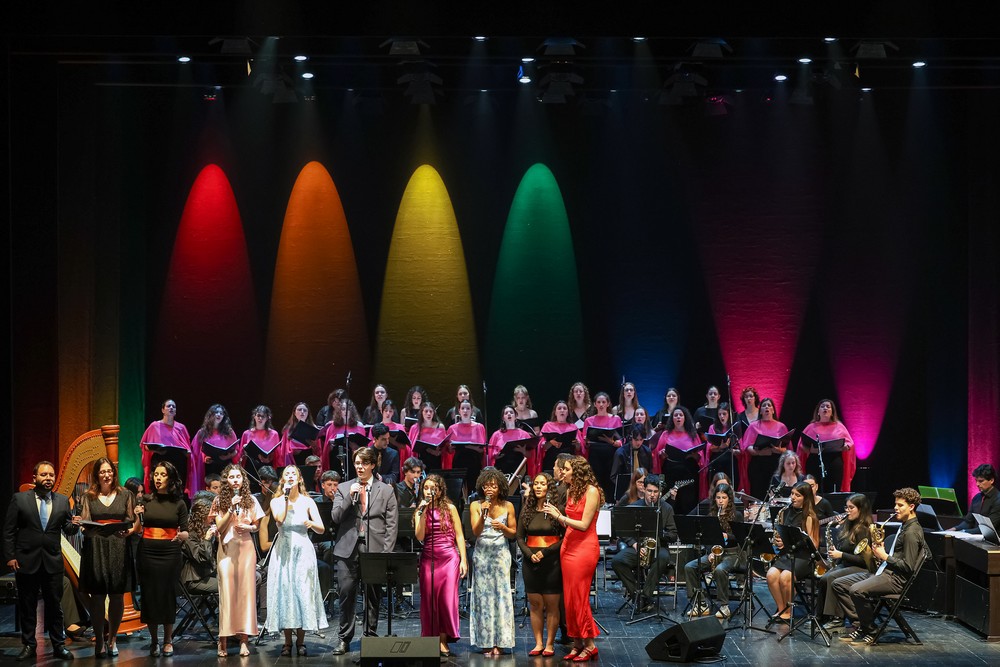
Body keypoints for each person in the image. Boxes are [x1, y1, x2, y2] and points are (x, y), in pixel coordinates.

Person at [3, 460, 82, 662]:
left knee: (55, 606)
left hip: (52, 562)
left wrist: (76, 524)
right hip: (26, 560)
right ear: (34, 478)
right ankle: (29, 645)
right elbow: (9, 531)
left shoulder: (63, 501)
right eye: (44, 475)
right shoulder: (20, 499)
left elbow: (68, 528)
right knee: (28, 606)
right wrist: (10, 556)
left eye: (51, 475)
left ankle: (59, 645)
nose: (48, 478)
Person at [833, 488, 930, 644]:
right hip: (885, 572)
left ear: (911, 507)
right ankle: (860, 624)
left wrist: (884, 556)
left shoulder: (912, 532)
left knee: (856, 590)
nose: (895, 508)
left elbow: (908, 567)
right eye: (895, 504)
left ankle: (870, 630)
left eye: (900, 505)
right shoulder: (905, 525)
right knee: (838, 583)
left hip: (895, 579)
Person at [330, 447, 399, 655]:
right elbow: (336, 517)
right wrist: (349, 499)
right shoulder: (344, 488)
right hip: (347, 549)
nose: (359, 467)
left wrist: (386, 554)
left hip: (374, 549)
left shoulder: (385, 490)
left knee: (372, 595)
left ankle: (369, 636)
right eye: (357, 463)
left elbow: (391, 525)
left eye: (363, 463)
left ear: (372, 465)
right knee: (346, 594)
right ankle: (344, 638)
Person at [543, 456, 602, 662]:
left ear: (576, 471)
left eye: (566, 469)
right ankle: (577, 642)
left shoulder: (591, 491)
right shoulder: (570, 490)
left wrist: (559, 516)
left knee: (579, 597)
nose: (563, 472)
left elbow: (584, 524)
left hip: (584, 548)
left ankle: (590, 644)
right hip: (568, 547)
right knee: (569, 599)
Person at [78, 458, 137, 657]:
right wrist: (86, 528)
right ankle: (100, 640)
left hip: (119, 546)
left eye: (109, 471)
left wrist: (127, 531)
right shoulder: (88, 496)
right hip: (95, 546)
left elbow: (132, 522)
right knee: (97, 596)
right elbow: (84, 525)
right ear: (97, 475)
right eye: (102, 472)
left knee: (117, 595)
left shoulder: (126, 494)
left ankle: (113, 638)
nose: (106, 475)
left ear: (113, 473)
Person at [267, 466, 328, 656]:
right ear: (283, 480)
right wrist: (286, 498)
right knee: (286, 592)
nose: (291, 476)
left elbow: (321, 529)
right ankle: (287, 642)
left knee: (302, 591)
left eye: (294, 473)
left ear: (300, 479)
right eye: (287, 474)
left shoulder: (308, 501)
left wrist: (311, 524)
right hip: (283, 550)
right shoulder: (277, 501)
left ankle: (301, 641)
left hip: (303, 550)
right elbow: (279, 518)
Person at [134, 461, 189, 657]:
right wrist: (136, 517)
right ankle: (154, 641)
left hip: (170, 553)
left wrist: (183, 536)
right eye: (155, 474)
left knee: (166, 596)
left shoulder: (179, 503)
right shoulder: (145, 501)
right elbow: (138, 529)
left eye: (162, 475)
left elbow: (186, 532)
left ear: (171, 478)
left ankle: (168, 639)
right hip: (147, 551)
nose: (157, 478)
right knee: (150, 596)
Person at [212, 464, 263, 657]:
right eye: (232, 477)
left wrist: (249, 528)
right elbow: (220, 527)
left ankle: (244, 640)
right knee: (227, 593)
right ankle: (222, 640)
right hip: (226, 550)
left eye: (238, 477)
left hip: (246, 549)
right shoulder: (218, 501)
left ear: (243, 480)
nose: (235, 480)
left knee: (245, 593)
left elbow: (257, 525)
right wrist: (231, 509)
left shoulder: (251, 500)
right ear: (227, 481)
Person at [415, 474, 467, 657]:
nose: (429, 491)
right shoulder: (420, 510)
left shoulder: (450, 508)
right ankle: (431, 640)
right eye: (426, 487)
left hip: (449, 557)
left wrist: (464, 560)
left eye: (433, 487)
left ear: (440, 489)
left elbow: (460, 535)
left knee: (446, 600)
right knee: (429, 601)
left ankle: (444, 640)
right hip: (429, 558)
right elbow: (420, 537)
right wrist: (421, 512)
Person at [611, 475, 679, 613]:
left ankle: (647, 594)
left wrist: (661, 534)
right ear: (644, 490)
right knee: (617, 561)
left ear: (659, 492)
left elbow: (673, 534)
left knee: (663, 558)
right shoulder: (634, 507)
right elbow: (624, 532)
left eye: (655, 492)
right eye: (649, 491)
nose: (652, 495)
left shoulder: (666, 509)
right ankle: (636, 594)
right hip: (638, 548)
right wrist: (635, 544)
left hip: (659, 548)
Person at [469, 468, 517, 656]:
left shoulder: (508, 506)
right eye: (487, 485)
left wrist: (503, 527)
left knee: (501, 597)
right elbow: (476, 531)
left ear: (500, 487)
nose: (490, 488)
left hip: (500, 555)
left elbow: (513, 533)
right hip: (482, 555)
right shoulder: (476, 505)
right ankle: (486, 642)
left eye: (493, 485)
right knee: (483, 597)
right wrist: (484, 514)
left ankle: (501, 642)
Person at [516, 473, 564, 657]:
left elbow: (564, 537)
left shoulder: (557, 509)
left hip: (551, 561)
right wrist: (529, 554)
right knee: (535, 604)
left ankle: (550, 644)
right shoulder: (527, 510)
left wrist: (545, 552)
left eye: (542, 484)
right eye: (535, 483)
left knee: (552, 605)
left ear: (548, 487)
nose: (537, 487)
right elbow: (520, 537)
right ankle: (538, 643)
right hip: (531, 562)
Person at [683, 483, 744, 618]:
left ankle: (724, 606)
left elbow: (741, 539)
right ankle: (700, 604)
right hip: (715, 553)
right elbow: (708, 538)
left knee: (720, 570)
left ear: (729, 499)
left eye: (723, 497)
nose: (721, 501)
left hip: (733, 554)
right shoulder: (712, 515)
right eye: (718, 498)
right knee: (689, 567)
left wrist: (727, 536)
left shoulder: (736, 515)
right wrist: (710, 552)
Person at [817, 493, 875, 633]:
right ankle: (821, 617)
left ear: (861, 509)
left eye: (851, 508)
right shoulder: (849, 525)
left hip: (861, 568)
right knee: (824, 577)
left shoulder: (863, 530)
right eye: (846, 507)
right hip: (847, 565)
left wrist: (841, 554)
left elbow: (863, 560)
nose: (847, 511)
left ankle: (838, 619)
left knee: (831, 577)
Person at [766, 481, 819, 624]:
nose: (793, 497)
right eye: (792, 494)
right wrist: (780, 541)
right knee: (771, 575)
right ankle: (782, 608)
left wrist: (792, 542)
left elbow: (814, 545)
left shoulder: (809, 517)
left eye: (798, 495)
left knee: (785, 577)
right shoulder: (785, 512)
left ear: (805, 498)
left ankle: (788, 613)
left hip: (804, 557)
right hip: (788, 554)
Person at [140, 398, 197, 496]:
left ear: (175, 411)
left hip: (177, 462)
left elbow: (187, 448)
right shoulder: (154, 426)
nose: (171, 408)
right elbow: (145, 447)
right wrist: (158, 451)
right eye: (168, 406)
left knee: (175, 489)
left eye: (173, 407)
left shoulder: (181, 428)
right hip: (160, 460)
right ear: (163, 410)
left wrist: (187, 453)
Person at [652, 406, 703, 515]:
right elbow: (658, 454)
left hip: (688, 472)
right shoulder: (666, 434)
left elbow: (700, 457)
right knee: (671, 501)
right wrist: (662, 454)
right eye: (676, 415)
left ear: (685, 418)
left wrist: (694, 455)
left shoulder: (692, 434)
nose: (678, 417)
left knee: (688, 501)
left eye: (681, 415)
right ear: (672, 418)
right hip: (671, 471)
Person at [798, 398, 857, 492]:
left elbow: (850, 443)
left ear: (832, 412)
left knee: (833, 489)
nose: (825, 408)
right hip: (815, 461)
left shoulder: (839, 426)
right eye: (822, 406)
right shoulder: (811, 427)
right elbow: (801, 445)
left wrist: (846, 446)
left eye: (828, 406)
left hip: (834, 462)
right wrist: (810, 450)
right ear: (818, 412)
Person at [741, 397, 790, 502]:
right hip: (758, 464)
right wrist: (760, 452)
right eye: (764, 405)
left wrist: (779, 450)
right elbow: (747, 446)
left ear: (773, 410)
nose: (767, 407)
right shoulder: (753, 426)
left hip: (776, 463)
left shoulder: (781, 426)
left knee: (776, 493)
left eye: (769, 405)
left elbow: (787, 449)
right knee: (759, 493)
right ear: (760, 411)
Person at [582, 392, 624, 502]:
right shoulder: (589, 420)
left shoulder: (615, 419)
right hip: (595, 453)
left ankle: (610, 503)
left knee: (609, 479)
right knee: (596, 479)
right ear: (595, 404)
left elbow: (621, 441)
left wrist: (612, 442)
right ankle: (596, 504)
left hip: (610, 453)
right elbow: (585, 443)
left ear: (608, 404)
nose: (601, 404)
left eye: (603, 402)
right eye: (599, 402)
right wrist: (586, 441)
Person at [446, 399, 487, 494]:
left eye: (468, 408)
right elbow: (449, 451)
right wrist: (450, 448)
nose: (465, 411)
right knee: (459, 491)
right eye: (463, 408)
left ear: (472, 410)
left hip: (474, 462)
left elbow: (482, 450)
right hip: (459, 462)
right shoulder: (452, 428)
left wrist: (468, 447)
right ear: (459, 411)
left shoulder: (479, 427)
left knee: (474, 490)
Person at [181, 496, 218, 595]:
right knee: (229, 586)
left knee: (235, 581)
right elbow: (202, 558)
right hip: (194, 580)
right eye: (211, 514)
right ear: (202, 516)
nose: (214, 516)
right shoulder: (189, 535)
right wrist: (207, 539)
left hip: (207, 573)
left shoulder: (204, 529)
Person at [948, 464, 1000, 533]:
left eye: (981, 481)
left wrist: (964, 532)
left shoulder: (997, 499)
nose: (977, 484)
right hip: (977, 539)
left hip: (993, 542)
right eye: (976, 481)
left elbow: (988, 528)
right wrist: (955, 529)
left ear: (991, 480)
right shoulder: (977, 498)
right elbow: (968, 522)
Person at [488, 405, 536, 478]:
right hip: (501, 468)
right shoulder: (496, 435)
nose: (509, 414)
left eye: (511, 412)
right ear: (503, 418)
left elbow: (531, 455)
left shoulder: (524, 434)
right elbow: (490, 455)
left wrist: (523, 451)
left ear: (516, 416)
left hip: (519, 468)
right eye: (506, 413)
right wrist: (496, 456)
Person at [239, 406, 282, 487]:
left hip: (267, 467)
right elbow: (241, 454)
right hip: (251, 467)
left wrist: (269, 459)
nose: (260, 418)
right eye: (258, 415)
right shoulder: (246, 433)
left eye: (263, 416)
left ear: (268, 418)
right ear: (254, 416)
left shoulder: (274, 434)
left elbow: (277, 454)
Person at [191, 404, 238, 478]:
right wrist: (204, 458)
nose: (219, 415)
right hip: (210, 467)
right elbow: (195, 452)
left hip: (226, 466)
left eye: (221, 413)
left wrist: (225, 457)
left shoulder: (229, 432)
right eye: (216, 412)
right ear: (211, 414)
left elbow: (236, 451)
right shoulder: (202, 432)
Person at [538, 401, 584, 474]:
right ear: (555, 412)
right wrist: (551, 442)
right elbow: (542, 448)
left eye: (564, 408)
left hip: (568, 461)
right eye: (559, 408)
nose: (562, 410)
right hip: (551, 461)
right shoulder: (547, 426)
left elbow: (579, 449)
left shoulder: (573, 427)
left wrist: (577, 444)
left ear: (568, 413)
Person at [611, 424, 654, 500]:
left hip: (643, 492)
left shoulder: (647, 451)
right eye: (636, 440)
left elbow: (650, 473)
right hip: (626, 492)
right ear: (630, 438)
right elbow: (614, 477)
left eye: (641, 440)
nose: (639, 443)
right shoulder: (620, 453)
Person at [408, 402, 450, 471]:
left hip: (436, 461)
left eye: (431, 411)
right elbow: (411, 447)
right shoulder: (415, 428)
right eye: (426, 411)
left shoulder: (440, 427)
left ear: (434, 413)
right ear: (422, 412)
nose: (428, 413)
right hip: (420, 462)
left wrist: (440, 452)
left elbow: (445, 446)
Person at [706, 402, 739, 488]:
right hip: (717, 461)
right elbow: (710, 447)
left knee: (731, 487)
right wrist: (721, 447)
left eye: (724, 414)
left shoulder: (734, 427)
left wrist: (734, 450)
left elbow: (740, 448)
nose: (722, 416)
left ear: (729, 414)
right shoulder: (713, 427)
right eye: (719, 414)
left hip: (731, 461)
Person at [277, 402, 319, 468]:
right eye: (299, 410)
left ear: (308, 414)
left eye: (305, 410)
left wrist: (313, 445)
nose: (302, 412)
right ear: (294, 413)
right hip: (293, 461)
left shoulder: (314, 428)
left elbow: (318, 450)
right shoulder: (288, 430)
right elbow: (284, 451)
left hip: (310, 461)